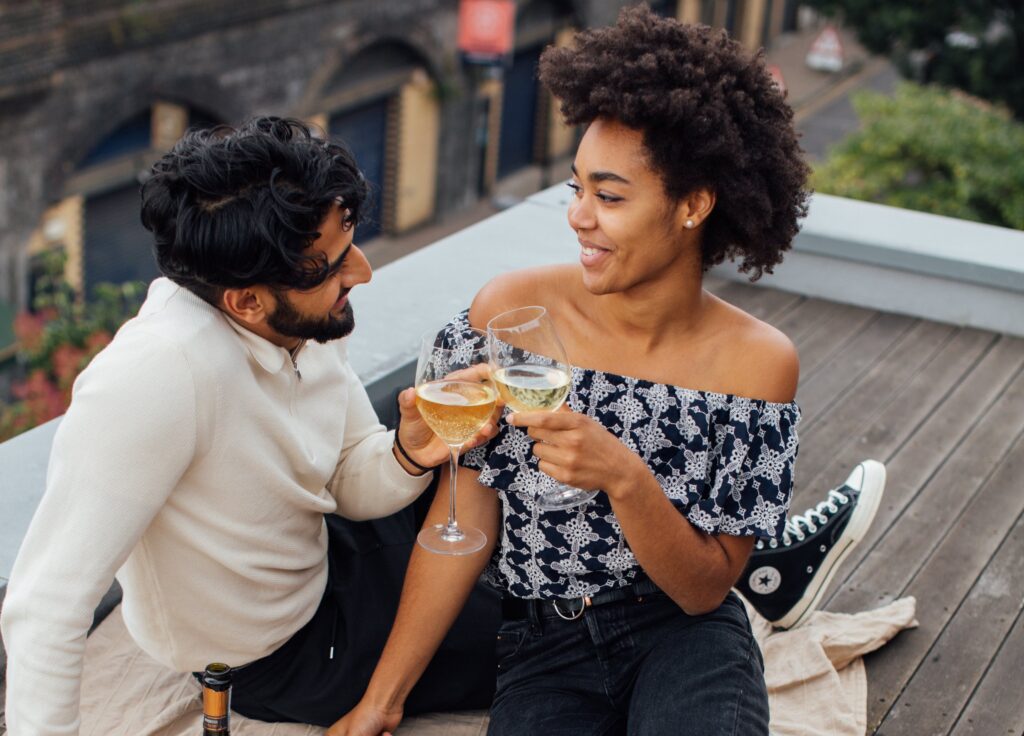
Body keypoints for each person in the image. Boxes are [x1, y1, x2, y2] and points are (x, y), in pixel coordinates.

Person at [331, 7, 819, 735]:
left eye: (610, 196)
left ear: (693, 205)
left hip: (685, 636)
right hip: (542, 640)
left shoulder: (757, 363)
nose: (579, 218)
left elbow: (702, 590)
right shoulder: (509, 313)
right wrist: (381, 702)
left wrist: (623, 477)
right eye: (576, 189)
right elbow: (459, 521)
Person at [0, 117, 501, 733]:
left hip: (328, 550)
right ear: (245, 302)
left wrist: (407, 452)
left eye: (351, 244)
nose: (364, 273)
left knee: (511, 507)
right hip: (288, 655)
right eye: (334, 265)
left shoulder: (300, 317)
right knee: (533, 638)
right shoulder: (155, 377)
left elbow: (345, 476)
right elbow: (45, 607)